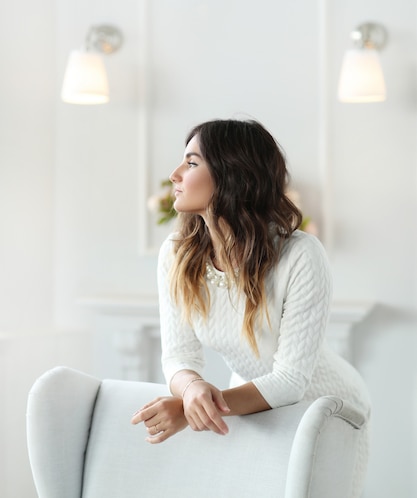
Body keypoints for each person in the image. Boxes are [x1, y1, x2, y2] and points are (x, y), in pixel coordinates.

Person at [132, 118, 370, 495]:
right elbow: (178, 356)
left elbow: (291, 381)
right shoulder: (176, 254)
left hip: (325, 407)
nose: (176, 174)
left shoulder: (301, 255)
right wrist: (192, 390)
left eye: (192, 163)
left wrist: (193, 409)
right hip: (247, 401)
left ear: (233, 176)